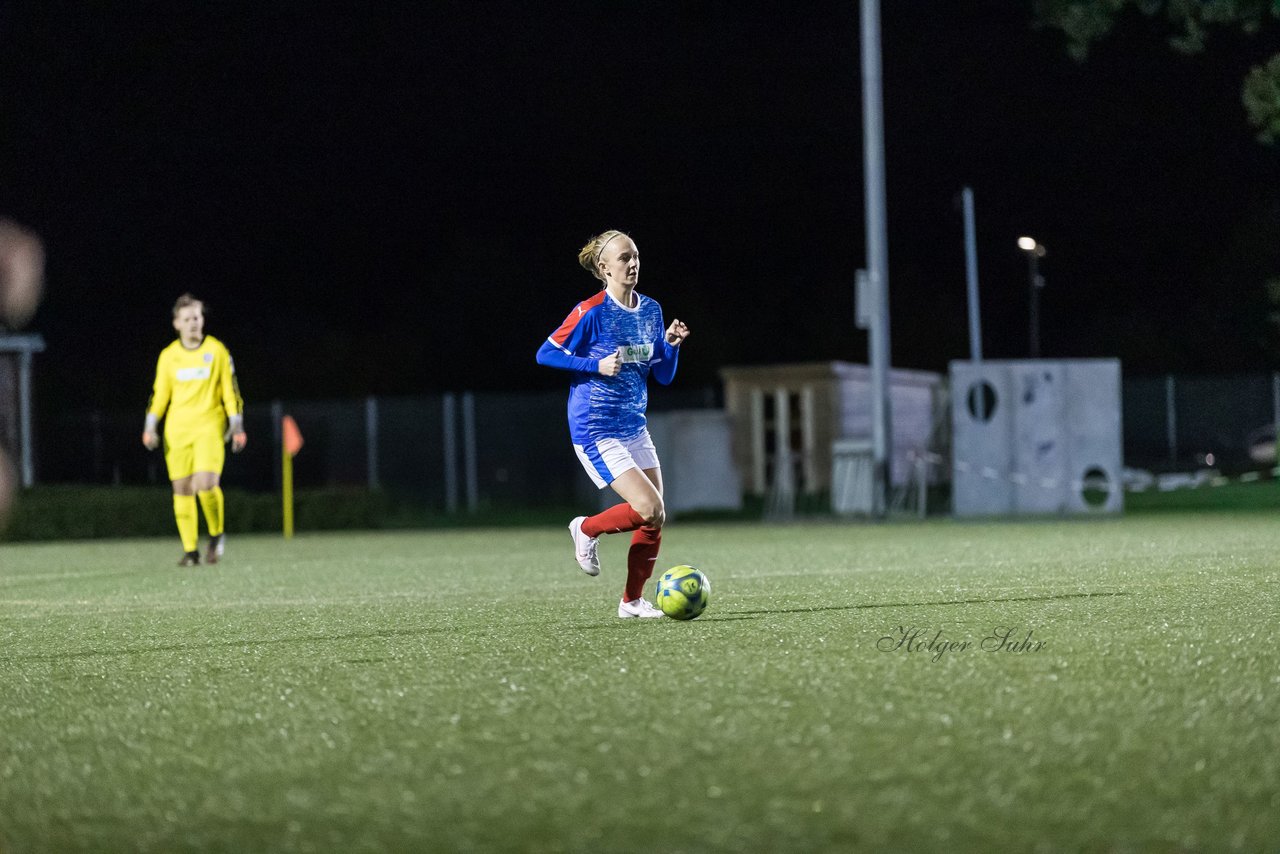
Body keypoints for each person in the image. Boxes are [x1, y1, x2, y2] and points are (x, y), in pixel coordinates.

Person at [536, 230, 690, 618]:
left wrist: (669, 346)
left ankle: (632, 602)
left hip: (633, 425)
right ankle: (586, 529)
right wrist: (594, 365)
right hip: (595, 427)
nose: (633, 263)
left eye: (636, 255)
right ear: (604, 268)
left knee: (655, 516)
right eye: (624, 258)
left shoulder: (651, 310)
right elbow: (545, 354)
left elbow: (664, 375)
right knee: (647, 506)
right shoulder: (590, 311)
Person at [142, 293, 246, 566]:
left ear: (202, 320)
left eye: (197, 318)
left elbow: (229, 390)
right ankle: (190, 551)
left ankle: (216, 534)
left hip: (209, 427)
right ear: (176, 323)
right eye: (187, 319)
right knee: (182, 489)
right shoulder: (168, 357)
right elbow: (160, 395)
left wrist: (236, 425)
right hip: (177, 432)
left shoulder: (217, 351)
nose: (193, 323)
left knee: (205, 484)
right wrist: (150, 426)